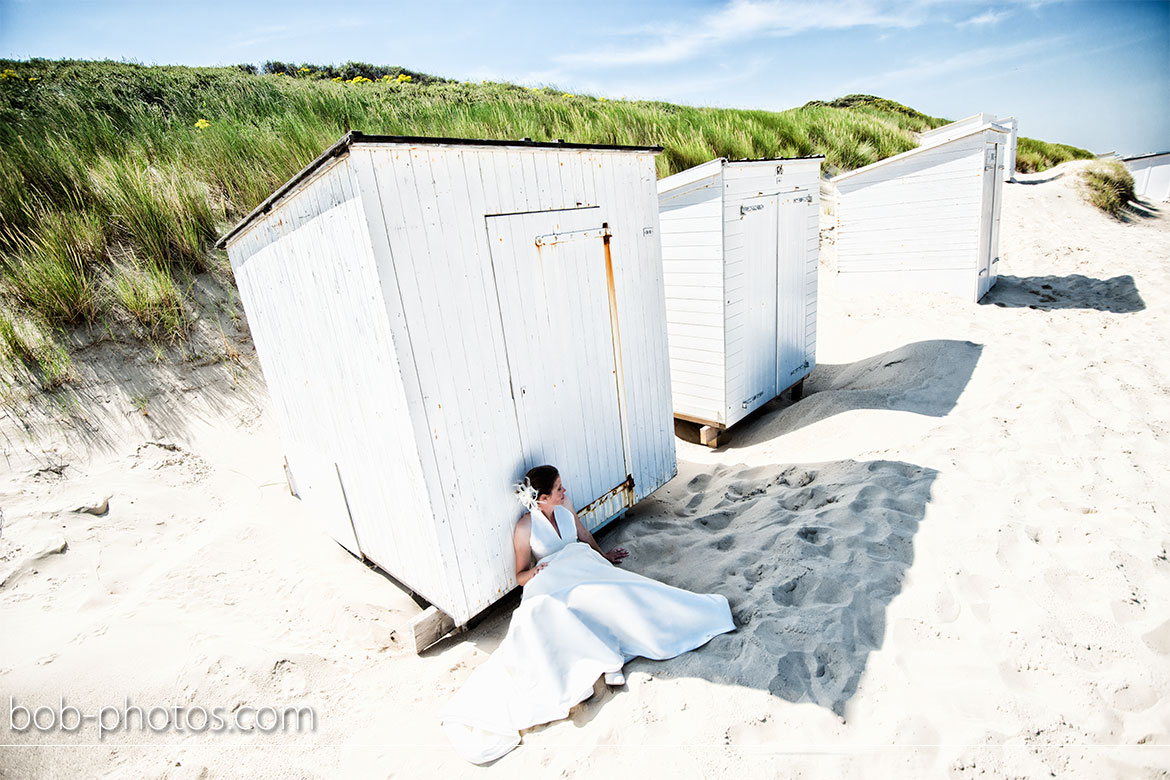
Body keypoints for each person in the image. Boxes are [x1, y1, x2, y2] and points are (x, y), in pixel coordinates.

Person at [441, 464, 736, 764]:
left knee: (615, 593)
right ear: (542, 497)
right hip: (550, 577)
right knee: (547, 615)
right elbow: (518, 575)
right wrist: (535, 571)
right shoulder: (524, 528)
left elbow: (583, 535)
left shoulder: (566, 506)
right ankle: (602, 659)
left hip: (581, 564)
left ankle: (615, 648)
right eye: (558, 489)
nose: (565, 492)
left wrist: (603, 556)